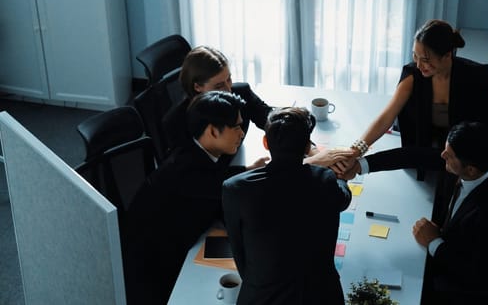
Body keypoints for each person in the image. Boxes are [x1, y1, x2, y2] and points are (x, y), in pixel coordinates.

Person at [125, 91, 268, 304]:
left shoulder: (199, 152)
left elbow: (219, 182)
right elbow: (221, 187)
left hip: (177, 242)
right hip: (154, 268)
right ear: (212, 131)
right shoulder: (186, 171)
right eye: (236, 127)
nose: (242, 133)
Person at [338, 19, 488, 179]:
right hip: (423, 155)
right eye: (415, 56)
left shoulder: (475, 77)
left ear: (447, 55)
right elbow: (387, 117)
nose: (418, 65)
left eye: (425, 59)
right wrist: (355, 151)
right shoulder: (413, 76)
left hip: (461, 161)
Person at [222, 107, 352, 305]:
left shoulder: (235, 188)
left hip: (261, 295)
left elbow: (239, 253)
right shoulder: (324, 180)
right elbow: (344, 198)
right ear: (307, 145)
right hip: (321, 295)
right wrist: (340, 176)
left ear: (265, 143)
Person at [163, 45, 353, 166]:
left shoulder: (240, 93)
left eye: (229, 79)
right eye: (219, 86)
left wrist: (307, 147)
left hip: (240, 162)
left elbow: (270, 117)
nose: (229, 90)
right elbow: (198, 176)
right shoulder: (175, 122)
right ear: (197, 87)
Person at [411, 121, 488, 304]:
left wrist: (434, 242)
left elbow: (475, 272)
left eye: (448, 155)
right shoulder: (470, 164)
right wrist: (363, 165)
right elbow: (413, 156)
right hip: (451, 239)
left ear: (470, 170)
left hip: (458, 277)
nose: (442, 155)